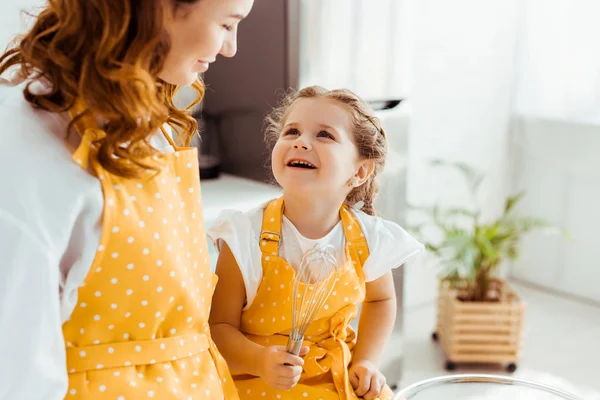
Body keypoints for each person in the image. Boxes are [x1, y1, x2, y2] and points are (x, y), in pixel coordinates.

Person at [0, 0, 254, 399]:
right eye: (226, 23)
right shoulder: (29, 145)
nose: (230, 48)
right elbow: (15, 373)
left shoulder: (141, 116)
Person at [208, 86, 424, 400]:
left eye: (324, 135)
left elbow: (381, 301)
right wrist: (261, 361)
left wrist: (366, 361)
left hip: (336, 378)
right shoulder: (244, 236)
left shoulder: (368, 239)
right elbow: (219, 327)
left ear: (360, 171)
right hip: (258, 381)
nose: (301, 141)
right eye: (291, 131)